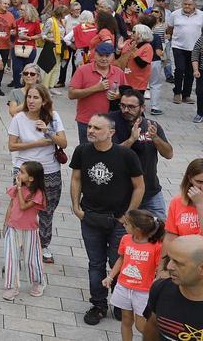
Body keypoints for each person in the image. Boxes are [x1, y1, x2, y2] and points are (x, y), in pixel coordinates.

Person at [70, 113, 146, 325]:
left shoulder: (125, 155)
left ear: (111, 133)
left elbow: (139, 187)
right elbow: (76, 178)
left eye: (97, 128)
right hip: (91, 218)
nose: (91, 130)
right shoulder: (82, 151)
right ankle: (99, 305)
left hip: (118, 221)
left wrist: (128, 216)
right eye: (90, 126)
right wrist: (77, 207)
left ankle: (120, 304)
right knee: (95, 264)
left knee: (117, 262)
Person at [7, 83, 68, 264]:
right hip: (24, 170)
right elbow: (12, 145)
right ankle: (18, 245)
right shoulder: (18, 118)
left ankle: (43, 245)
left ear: (44, 101)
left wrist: (48, 131)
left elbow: (63, 143)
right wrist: (37, 144)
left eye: (36, 98)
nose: (31, 101)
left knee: (47, 209)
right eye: (29, 97)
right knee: (21, 208)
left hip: (49, 170)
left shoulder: (53, 117)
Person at [109, 90, 174, 218]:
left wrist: (155, 138)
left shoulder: (151, 125)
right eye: (122, 105)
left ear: (142, 107)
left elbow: (169, 154)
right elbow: (110, 155)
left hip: (151, 191)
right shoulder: (110, 123)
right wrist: (131, 140)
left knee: (159, 230)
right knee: (123, 233)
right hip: (123, 193)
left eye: (131, 107)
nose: (126, 110)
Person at [102, 209, 164, 341]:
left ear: (137, 229)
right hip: (124, 286)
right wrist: (110, 276)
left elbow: (160, 267)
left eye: (126, 224)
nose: (123, 225)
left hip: (143, 291)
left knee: (141, 326)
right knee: (126, 320)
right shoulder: (126, 239)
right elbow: (121, 259)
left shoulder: (156, 246)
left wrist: (156, 283)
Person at [1, 160, 48, 301]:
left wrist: (20, 189)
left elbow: (23, 206)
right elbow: (11, 206)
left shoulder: (38, 193)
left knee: (31, 259)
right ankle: (11, 286)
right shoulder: (16, 188)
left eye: (22, 172)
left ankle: (39, 282)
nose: (18, 174)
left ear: (31, 178)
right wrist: (5, 223)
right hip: (13, 227)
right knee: (10, 257)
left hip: (30, 230)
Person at [144, 234, 203, 341]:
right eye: (169, 259)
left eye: (178, 263)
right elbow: (152, 326)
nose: (169, 266)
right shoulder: (161, 288)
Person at [68, 41, 125, 142]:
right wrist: (95, 88)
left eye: (107, 56)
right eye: (100, 55)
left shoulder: (118, 72)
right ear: (95, 54)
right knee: (86, 153)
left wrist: (119, 95)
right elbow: (71, 94)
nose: (104, 59)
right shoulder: (83, 70)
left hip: (110, 122)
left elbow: (128, 93)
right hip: (87, 121)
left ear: (112, 56)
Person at [166, 0, 202, 104]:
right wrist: (170, 37)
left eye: (189, 4)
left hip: (195, 48)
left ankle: (186, 95)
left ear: (194, 5)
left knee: (190, 72)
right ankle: (177, 92)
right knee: (180, 69)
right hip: (178, 46)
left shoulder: (201, 15)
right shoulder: (175, 14)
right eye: (185, 4)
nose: (187, 6)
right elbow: (170, 28)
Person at [165, 159, 203, 248]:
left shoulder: (199, 204)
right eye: (199, 182)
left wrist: (200, 205)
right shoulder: (177, 201)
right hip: (182, 256)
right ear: (189, 179)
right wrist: (162, 261)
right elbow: (170, 236)